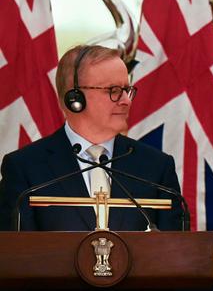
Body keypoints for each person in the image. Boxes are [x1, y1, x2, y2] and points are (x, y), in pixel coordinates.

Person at [0, 45, 183, 231]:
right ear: (74, 99)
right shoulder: (24, 168)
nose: (126, 101)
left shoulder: (157, 167)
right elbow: (16, 255)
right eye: (113, 90)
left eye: (127, 90)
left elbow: (177, 253)